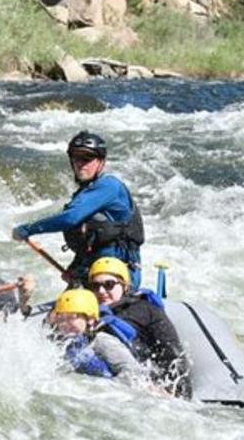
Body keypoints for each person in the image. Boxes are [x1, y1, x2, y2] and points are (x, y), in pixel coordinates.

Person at [11, 131, 145, 288]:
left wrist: (29, 229)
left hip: (117, 275)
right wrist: (75, 268)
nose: (81, 163)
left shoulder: (109, 186)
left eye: (87, 158)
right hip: (92, 268)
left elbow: (70, 218)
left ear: (101, 162)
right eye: (76, 158)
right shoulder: (83, 194)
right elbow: (90, 244)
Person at [87, 257, 190, 398]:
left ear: (124, 286)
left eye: (109, 284)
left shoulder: (143, 309)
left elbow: (171, 353)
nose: (101, 291)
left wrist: (175, 391)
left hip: (154, 384)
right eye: (95, 286)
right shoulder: (92, 310)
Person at [47, 288, 146, 382]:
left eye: (73, 317)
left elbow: (133, 372)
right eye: (61, 318)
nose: (65, 323)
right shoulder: (59, 342)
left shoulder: (102, 341)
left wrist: (100, 388)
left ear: (90, 319)